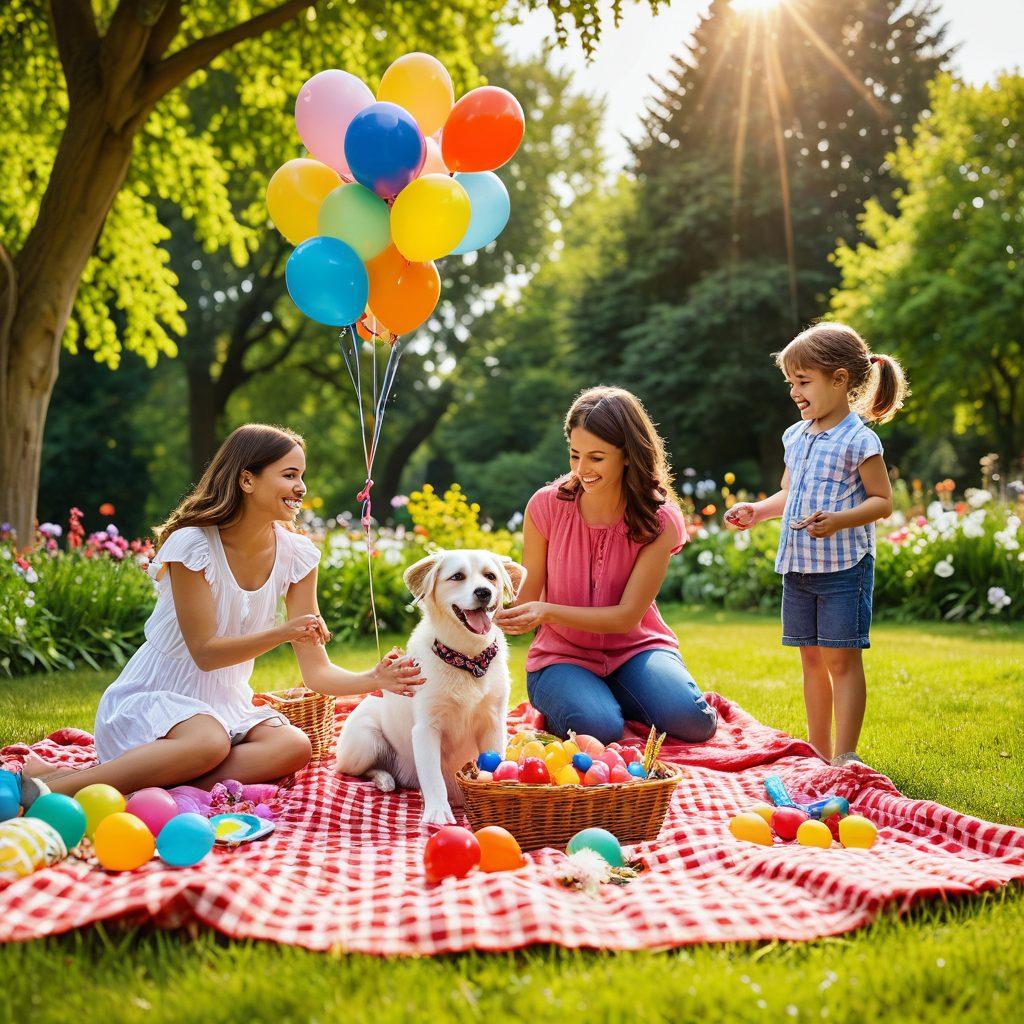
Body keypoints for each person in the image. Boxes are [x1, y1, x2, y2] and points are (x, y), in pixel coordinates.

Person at [24, 424, 423, 797]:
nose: (301, 487)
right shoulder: (192, 546)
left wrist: (376, 678)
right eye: (289, 475)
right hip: (155, 700)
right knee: (208, 741)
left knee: (292, 746)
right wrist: (283, 632)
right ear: (247, 479)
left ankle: (154, 780)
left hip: (225, 707)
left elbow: (316, 673)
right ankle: (57, 788)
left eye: (302, 476)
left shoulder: (297, 555)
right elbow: (205, 652)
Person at [726, 322, 908, 766]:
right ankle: (817, 754)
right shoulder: (796, 435)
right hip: (799, 567)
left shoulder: (859, 439)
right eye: (791, 382)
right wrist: (758, 509)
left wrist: (839, 520)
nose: (794, 392)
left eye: (803, 382)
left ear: (840, 379)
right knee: (811, 661)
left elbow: (883, 502)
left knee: (841, 663)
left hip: (845, 569)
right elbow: (788, 494)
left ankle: (845, 759)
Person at [496, 386, 718, 745]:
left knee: (694, 723)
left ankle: (618, 695)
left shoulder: (659, 520)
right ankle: (591, 700)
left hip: (638, 649)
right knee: (599, 729)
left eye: (596, 458)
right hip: (561, 655)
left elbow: (626, 617)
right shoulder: (545, 507)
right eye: (574, 455)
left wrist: (546, 612)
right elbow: (526, 601)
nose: (583, 469)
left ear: (627, 455)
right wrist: (494, 599)